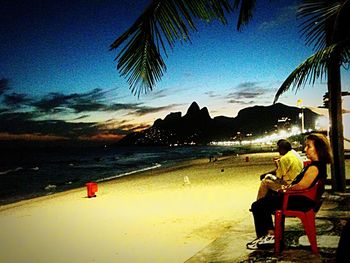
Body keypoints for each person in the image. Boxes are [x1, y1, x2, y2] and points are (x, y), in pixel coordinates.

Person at [247, 133, 332, 250]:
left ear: (319, 149)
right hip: (302, 198)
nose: (305, 149)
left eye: (308, 146)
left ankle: (269, 235)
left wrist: (286, 189)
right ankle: (271, 234)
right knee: (265, 202)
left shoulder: (314, 167)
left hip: (299, 201)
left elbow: (302, 186)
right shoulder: (317, 165)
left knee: (257, 205)